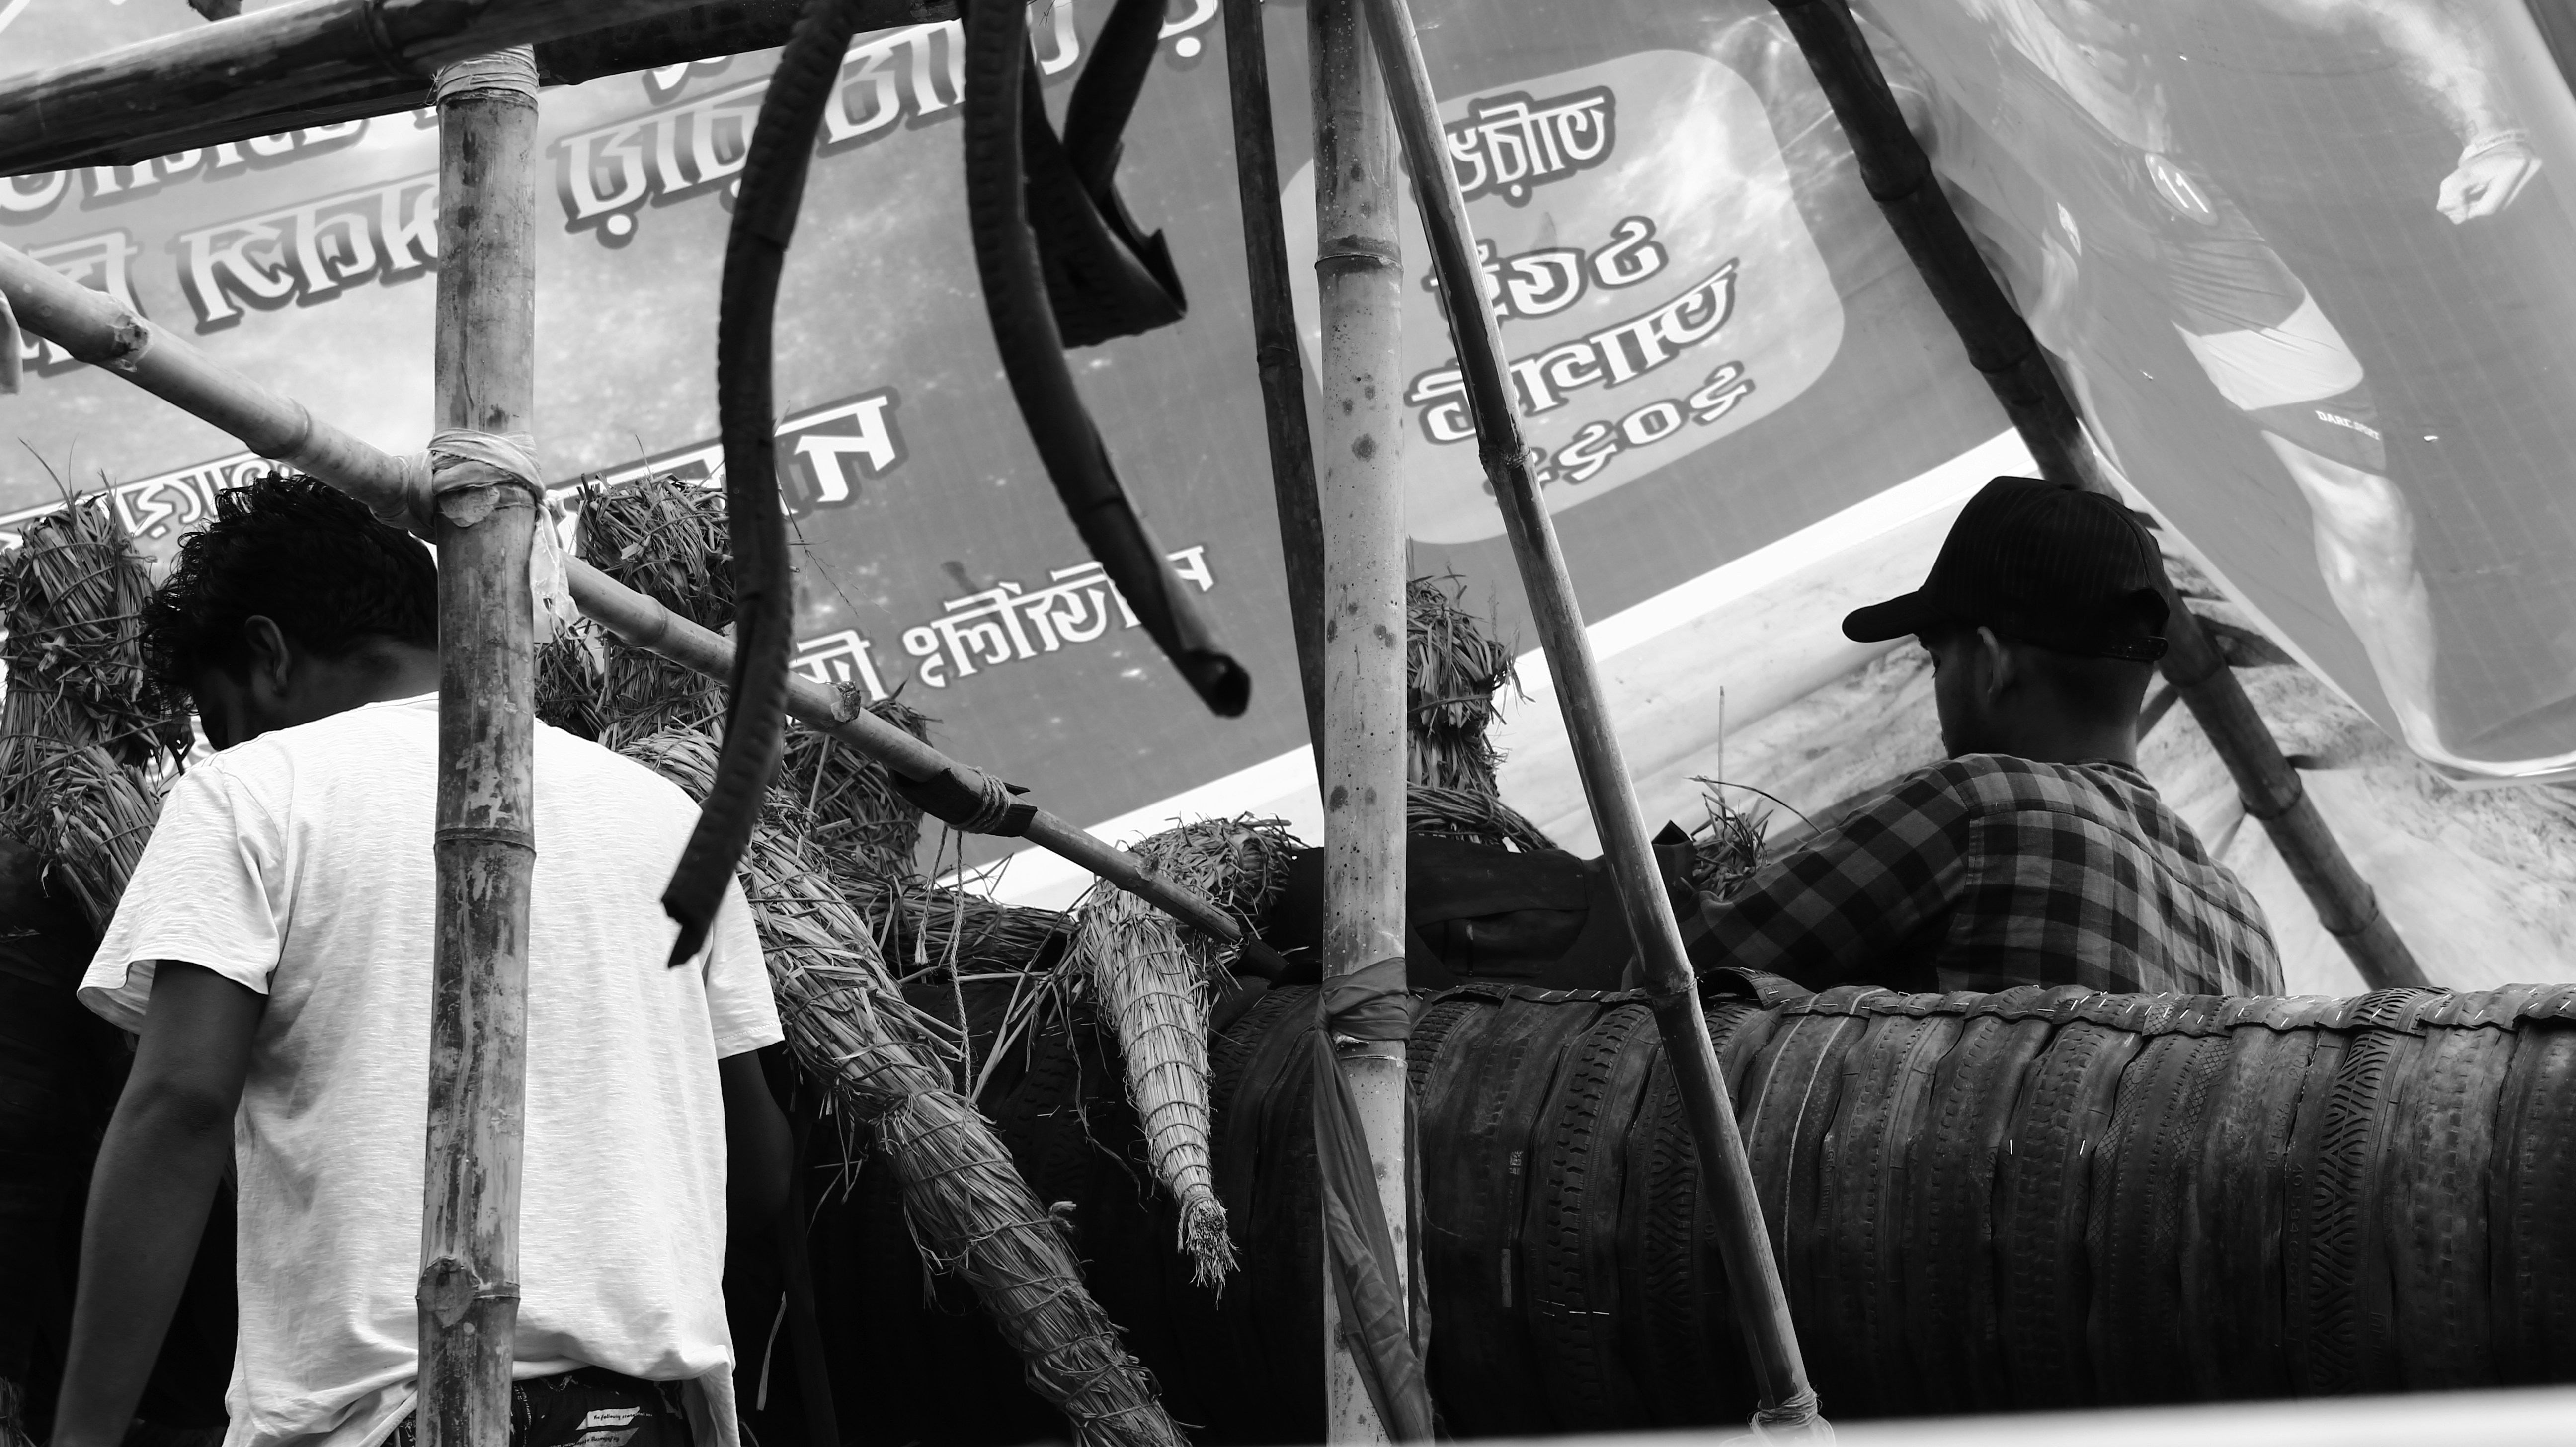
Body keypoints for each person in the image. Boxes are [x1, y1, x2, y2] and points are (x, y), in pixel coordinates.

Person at [48, 477, 791, 1447]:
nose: (224, 746)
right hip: (647, 1415)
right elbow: (760, 1160)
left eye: (222, 717)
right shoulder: (662, 814)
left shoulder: (253, 789)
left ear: (269, 652)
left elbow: (179, 1107)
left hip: (393, 1414)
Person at [1859, 0, 2541, 769]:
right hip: (2048, 194)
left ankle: (2427, 737)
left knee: (2367, 510)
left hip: (2180, 212)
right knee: (2088, 478)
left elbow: (2393, 11)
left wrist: (2495, 133)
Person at [1697, 477, 2281, 997]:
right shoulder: (2251, 935)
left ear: (1994, 666)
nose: (1938, 687)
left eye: (1937, 659)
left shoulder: (1983, 804)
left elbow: (1681, 967)